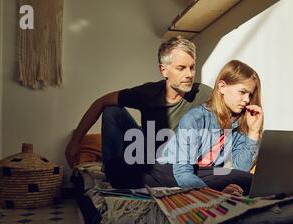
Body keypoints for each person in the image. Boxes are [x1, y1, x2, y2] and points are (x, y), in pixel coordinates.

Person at [65, 37, 212, 187]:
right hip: (143, 146)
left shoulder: (203, 94)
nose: (189, 74)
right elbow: (100, 102)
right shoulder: (147, 93)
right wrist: (75, 142)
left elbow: (231, 115)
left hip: (168, 161)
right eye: (181, 68)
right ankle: (110, 171)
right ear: (164, 70)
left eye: (192, 67)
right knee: (112, 110)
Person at [155, 60, 264, 195]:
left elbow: (238, 170)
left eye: (250, 95)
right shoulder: (195, 119)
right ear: (222, 87)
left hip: (203, 172)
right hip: (171, 168)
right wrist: (212, 194)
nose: (247, 100)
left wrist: (253, 133)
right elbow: (183, 172)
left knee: (247, 179)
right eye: (242, 92)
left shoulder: (239, 123)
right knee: (244, 179)